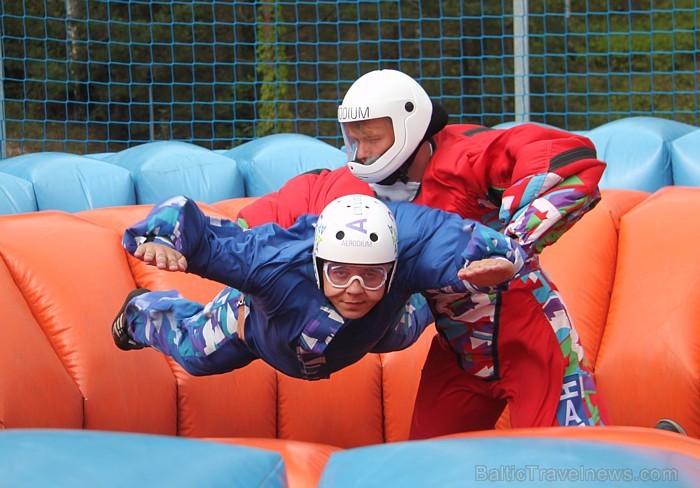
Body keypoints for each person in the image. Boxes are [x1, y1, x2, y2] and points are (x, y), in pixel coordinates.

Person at [235, 69, 611, 435]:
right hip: (458, 353)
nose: (362, 153)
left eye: (373, 139)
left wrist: (515, 242)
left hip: (533, 339)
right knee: (424, 466)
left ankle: (655, 451)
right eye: (354, 140)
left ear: (409, 131)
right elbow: (261, 221)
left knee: (572, 461)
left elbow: (569, 156)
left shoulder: (463, 159)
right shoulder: (348, 191)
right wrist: (240, 292)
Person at [112, 193, 525, 380]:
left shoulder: (407, 254)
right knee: (196, 357)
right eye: (341, 274)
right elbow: (197, 227)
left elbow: (460, 239)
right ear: (319, 264)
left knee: (426, 307)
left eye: (373, 274)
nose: (356, 289)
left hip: (378, 328)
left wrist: (500, 261)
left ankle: (427, 291)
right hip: (260, 331)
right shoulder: (272, 262)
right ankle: (138, 314)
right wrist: (160, 238)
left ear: (391, 265)